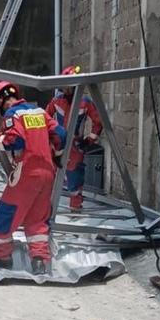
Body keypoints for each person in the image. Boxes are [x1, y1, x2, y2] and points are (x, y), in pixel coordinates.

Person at [0, 81, 66, 275]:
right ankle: (39, 261)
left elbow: (15, 140)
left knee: (6, 213)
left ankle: (1, 256)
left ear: (0, 102)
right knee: (37, 219)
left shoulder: (13, 114)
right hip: (47, 173)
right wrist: (57, 155)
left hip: (27, 173)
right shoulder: (39, 112)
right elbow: (60, 133)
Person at [45, 65, 103, 211]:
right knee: (49, 174)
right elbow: (44, 118)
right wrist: (48, 137)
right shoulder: (56, 101)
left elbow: (98, 123)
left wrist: (88, 140)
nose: (66, 90)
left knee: (74, 177)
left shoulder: (85, 102)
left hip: (75, 146)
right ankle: (45, 207)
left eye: (68, 87)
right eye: (64, 87)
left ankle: (75, 207)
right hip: (57, 143)